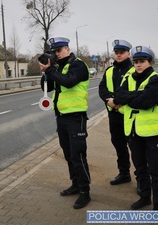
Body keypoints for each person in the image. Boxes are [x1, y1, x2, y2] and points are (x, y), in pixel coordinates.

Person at [112, 46, 158, 210]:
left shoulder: (156, 80)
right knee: (140, 168)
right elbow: (118, 96)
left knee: (155, 170)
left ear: (150, 62)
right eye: (135, 61)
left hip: (152, 132)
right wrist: (133, 97)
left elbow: (145, 102)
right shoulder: (129, 78)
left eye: (142, 61)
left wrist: (129, 99)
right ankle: (145, 197)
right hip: (134, 132)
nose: (138, 64)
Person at [39, 37, 91, 209]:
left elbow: (68, 82)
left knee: (78, 156)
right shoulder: (57, 68)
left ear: (68, 49)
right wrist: (46, 72)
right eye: (54, 51)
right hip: (61, 117)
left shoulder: (79, 65)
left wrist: (52, 70)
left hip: (76, 118)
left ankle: (85, 192)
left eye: (59, 50)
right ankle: (75, 184)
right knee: (69, 155)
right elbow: (48, 88)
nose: (57, 54)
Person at [98, 39, 134, 185]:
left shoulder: (133, 70)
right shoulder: (109, 70)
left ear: (128, 53)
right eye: (116, 52)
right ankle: (124, 173)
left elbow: (133, 93)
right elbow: (102, 89)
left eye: (122, 52)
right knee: (119, 145)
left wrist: (118, 102)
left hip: (129, 115)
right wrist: (110, 101)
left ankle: (142, 179)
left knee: (135, 148)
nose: (118, 55)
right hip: (113, 114)